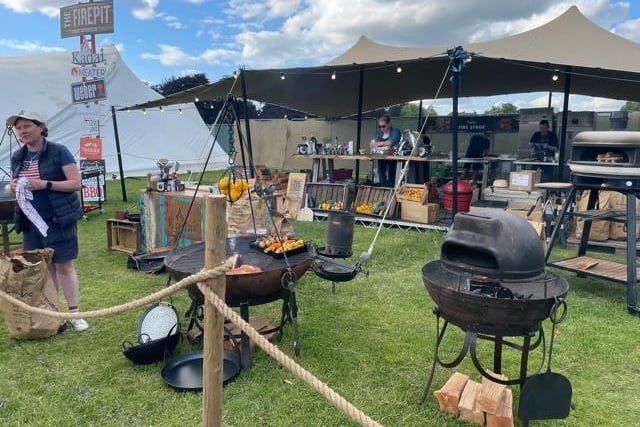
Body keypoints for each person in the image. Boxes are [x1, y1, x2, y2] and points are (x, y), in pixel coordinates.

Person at [7, 110, 88, 332]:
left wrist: (45, 184)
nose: (22, 131)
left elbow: (75, 183)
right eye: (19, 128)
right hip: (30, 222)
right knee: (42, 268)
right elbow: (15, 184)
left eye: (27, 126)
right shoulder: (17, 156)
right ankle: (53, 314)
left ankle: (74, 314)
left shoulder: (59, 151)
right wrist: (13, 187)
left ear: (41, 127)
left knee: (64, 265)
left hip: (57, 219)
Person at [369, 113, 401, 187]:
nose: (382, 128)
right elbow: (371, 143)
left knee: (392, 176)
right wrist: (374, 143)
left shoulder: (395, 131)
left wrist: (378, 143)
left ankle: (391, 192)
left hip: (393, 159)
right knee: (382, 176)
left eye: (383, 126)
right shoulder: (379, 134)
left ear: (389, 124)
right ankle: (383, 189)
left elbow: (391, 142)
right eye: (379, 127)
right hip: (382, 158)